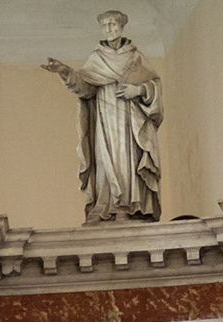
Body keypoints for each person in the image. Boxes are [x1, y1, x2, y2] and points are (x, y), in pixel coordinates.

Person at [43, 10, 163, 222]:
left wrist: (139, 91)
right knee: (105, 161)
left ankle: (130, 207)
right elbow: (84, 87)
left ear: (122, 27)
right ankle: (108, 208)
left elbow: (155, 84)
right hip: (105, 120)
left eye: (113, 24)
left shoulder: (136, 57)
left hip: (130, 123)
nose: (109, 29)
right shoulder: (96, 59)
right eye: (105, 25)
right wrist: (64, 71)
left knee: (127, 161)